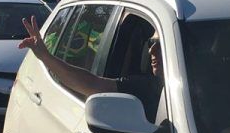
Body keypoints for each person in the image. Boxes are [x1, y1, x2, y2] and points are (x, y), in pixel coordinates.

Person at [18, 15, 165, 122]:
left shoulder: (180, 90)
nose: (151, 50)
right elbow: (92, 84)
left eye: (160, 44)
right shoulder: (146, 86)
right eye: (151, 42)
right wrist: (45, 56)